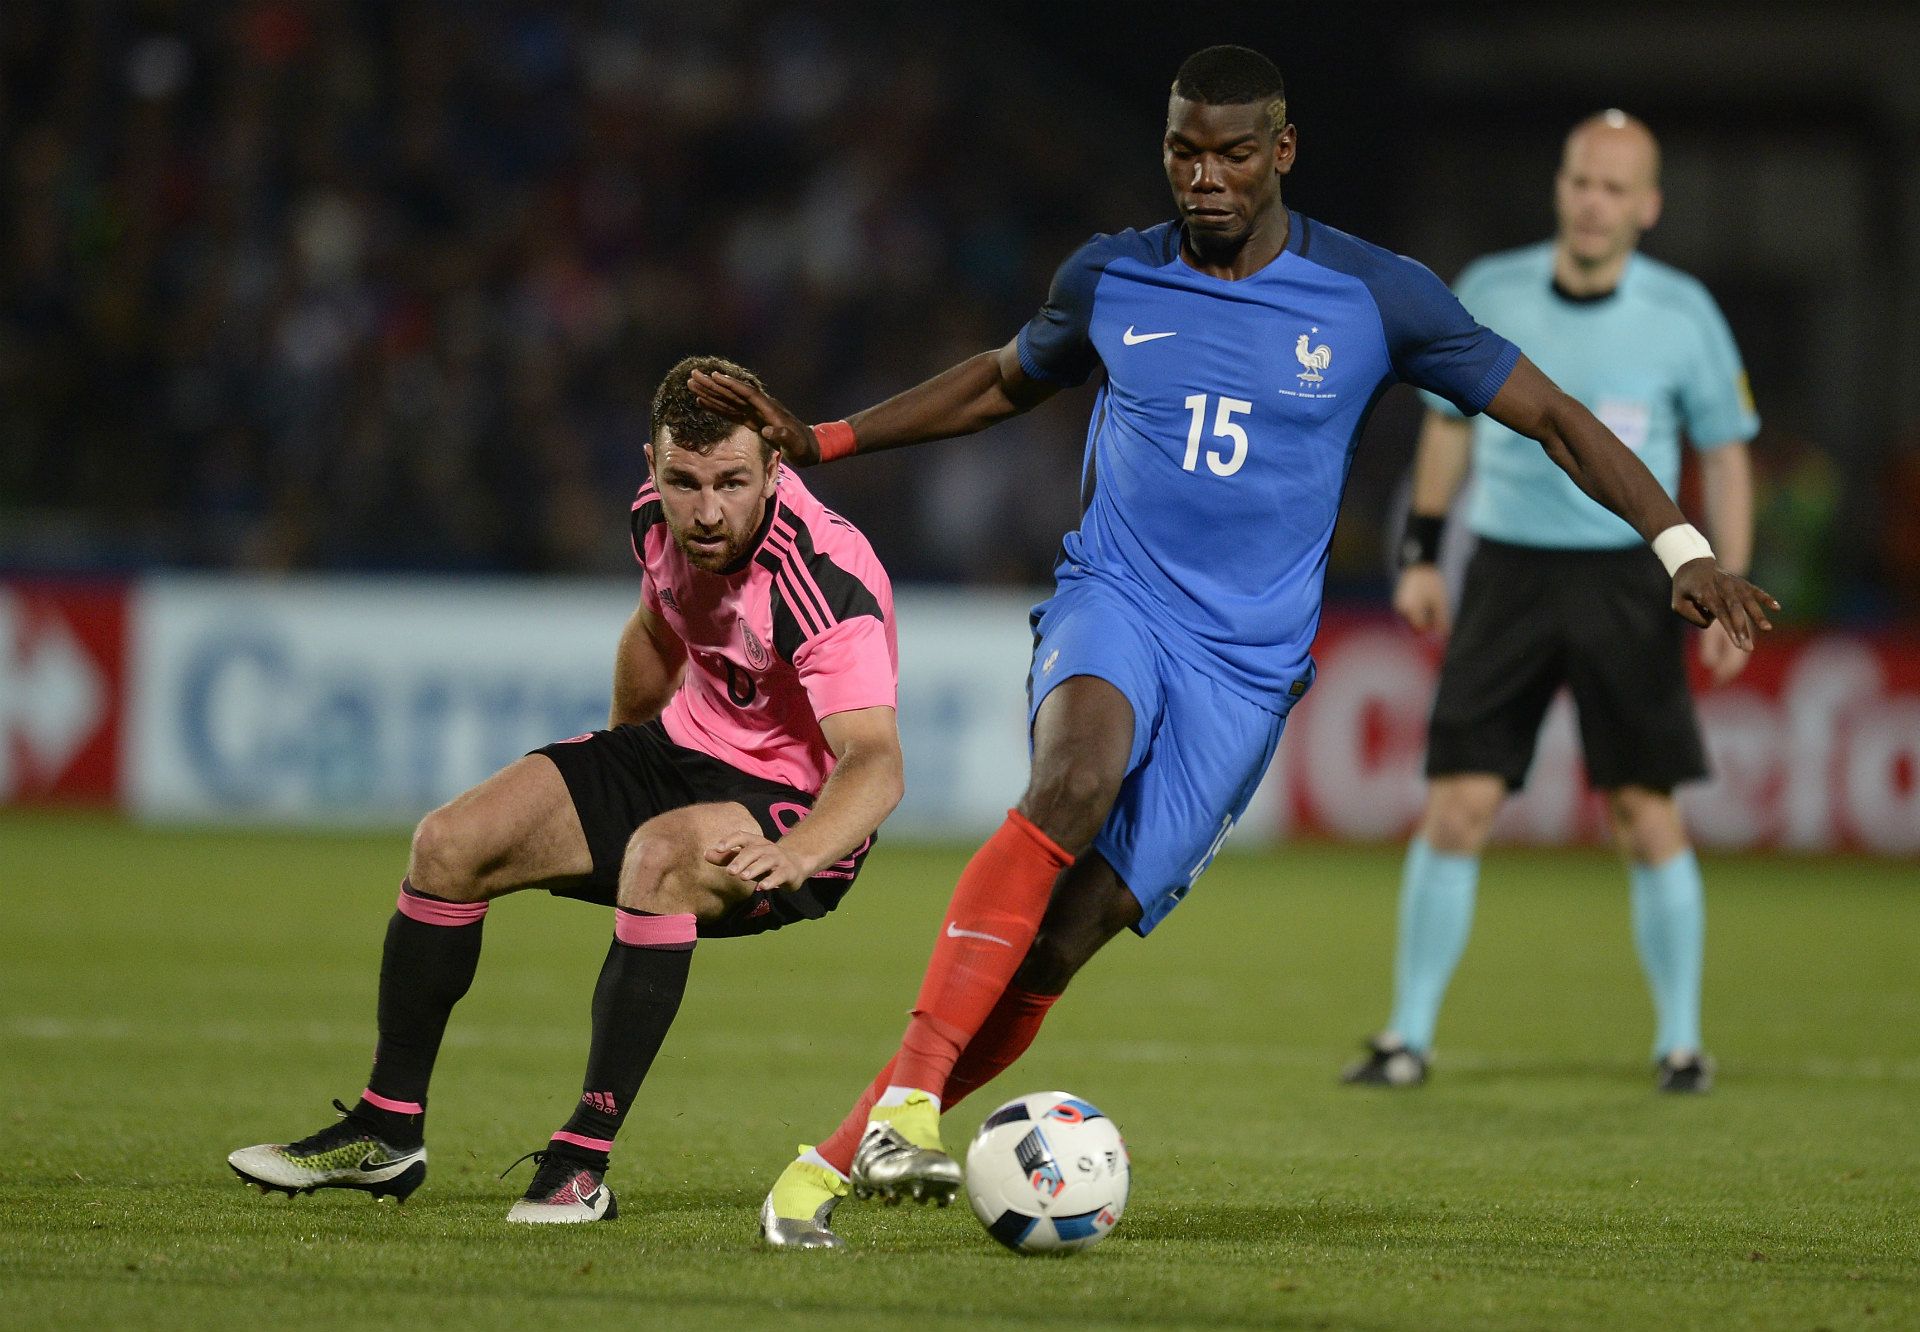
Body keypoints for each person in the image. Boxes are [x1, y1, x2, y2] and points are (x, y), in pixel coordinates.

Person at [692, 47, 1777, 1249]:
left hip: (1246, 673)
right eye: (1182, 152)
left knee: (1071, 933)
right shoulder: (1110, 275)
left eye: (1231, 153)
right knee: (1073, 776)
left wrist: (1682, 549)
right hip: (1118, 601)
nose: (1202, 177)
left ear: (1283, 152)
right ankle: (907, 1107)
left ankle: (832, 1160)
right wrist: (824, 440)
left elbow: (1560, 420)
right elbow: (1005, 381)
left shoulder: (1378, 296)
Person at [227, 355, 904, 1223]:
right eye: (682, 481)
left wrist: (798, 851)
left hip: (796, 808)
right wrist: (611, 767)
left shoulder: (825, 575)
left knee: (658, 859)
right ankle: (386, 1131)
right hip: (675, 752)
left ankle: (580, 1164)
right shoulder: (654, 522)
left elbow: (876, 764)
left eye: (732, 483)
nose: (705, 511)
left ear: (777, 465)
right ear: (650, 465)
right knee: (448, 843)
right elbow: (659, 632)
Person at [1341, 113, 1759, 1096]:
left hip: (1631, 578)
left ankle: (1683, 1044)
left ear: (1647, 207)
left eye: (1616, 188)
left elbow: (1727, 452)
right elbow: (1446, 427)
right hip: (1509, 575)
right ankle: (1406, 1037)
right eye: (1580, 180)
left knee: (1642, 813)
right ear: (1560, 187)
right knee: (1457, 805)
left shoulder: (1684, 312)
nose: (1592, 201)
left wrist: (1724, 575)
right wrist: (1422, 552)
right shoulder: (1492, 288)